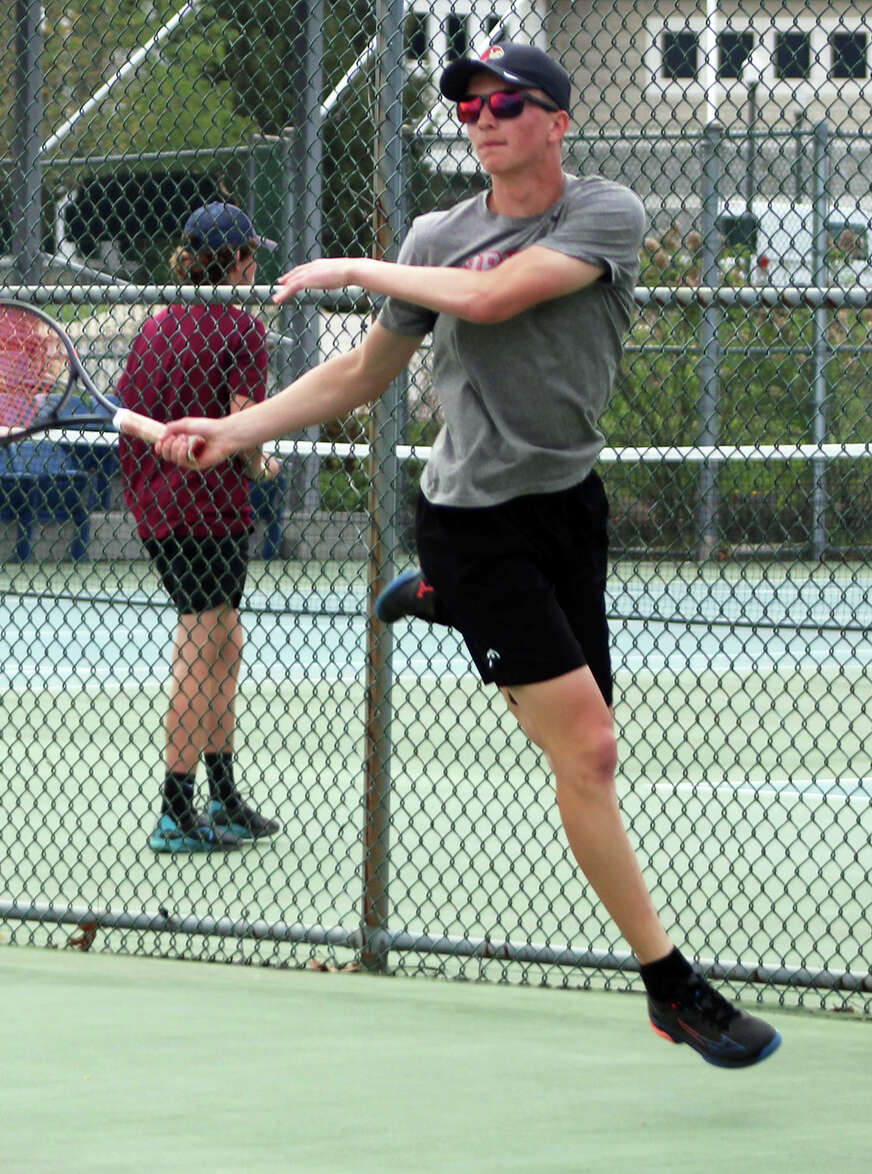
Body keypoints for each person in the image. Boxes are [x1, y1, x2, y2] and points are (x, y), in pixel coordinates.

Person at [155, 46, 781, 1066]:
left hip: (568, 508)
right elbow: (364, 372)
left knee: (572, 739)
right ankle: (672, 988)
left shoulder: (604, 213)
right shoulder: (437, 236)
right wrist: (233, 431)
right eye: (468, 108)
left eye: (506, 103)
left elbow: (495, 298)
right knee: (590, 752)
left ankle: (447, 601)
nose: (483, 119)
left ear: (557, 122)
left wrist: (355, 268)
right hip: (472, 516)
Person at [119, 202, 282, 853]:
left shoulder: (156, 327)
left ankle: (224, 798)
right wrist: (259, 462)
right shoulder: (242, 330)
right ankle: (175, 809)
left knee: (224, 643)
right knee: (200, 646)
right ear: (237, 262)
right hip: (206, 513)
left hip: (160, 509)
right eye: (252, 255)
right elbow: (241, 424)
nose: (255, 266)